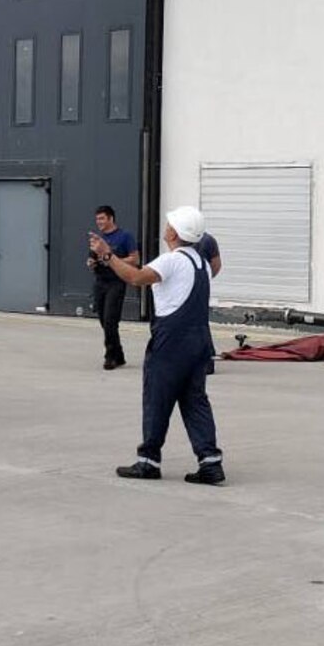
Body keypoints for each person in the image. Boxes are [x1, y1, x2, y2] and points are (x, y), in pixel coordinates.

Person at [107, 206, 224, 484]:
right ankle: (210, 462)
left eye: (169, 223)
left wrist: (108, 256)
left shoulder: (171, 260)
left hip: (172, 341)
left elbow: (135, 278)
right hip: (199, 342)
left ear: (174, 232)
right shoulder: (202, 263)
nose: (166, 227)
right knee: (195, 401)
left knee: (157, 398)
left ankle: (148, 460)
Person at [86, 205, 137, 369]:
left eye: (102, 218)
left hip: (116, 281)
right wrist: (92, 263)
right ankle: (119, 354)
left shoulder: (125, 236)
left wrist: (112, 259)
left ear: (111, 219)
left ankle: (110, 357)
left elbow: (135, 259)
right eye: (97, 219)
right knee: (103, 320)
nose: (98, 222)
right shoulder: (98, 239)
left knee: (110, 321)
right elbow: (91, 259)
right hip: (100, 281)